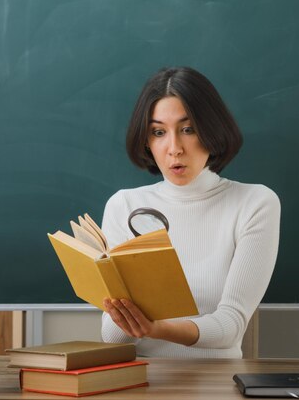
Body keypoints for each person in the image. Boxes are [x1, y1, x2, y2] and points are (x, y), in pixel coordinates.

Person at [100, 67, 281, 358]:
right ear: (146, 141)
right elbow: (111, 337)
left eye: (188, 129)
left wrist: (157, 328)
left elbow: (231, 325)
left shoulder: (255, 203)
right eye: (158, 132)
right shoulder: (124, 206)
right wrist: (132, 296)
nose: (174, 148)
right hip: (141, 381)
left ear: (211, 130)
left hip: (218, 384)